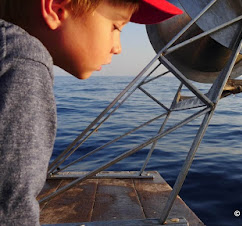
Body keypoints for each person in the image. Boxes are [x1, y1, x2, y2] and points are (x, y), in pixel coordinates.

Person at [0, 0, 182, 225]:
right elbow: (9, 209)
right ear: (56, 9)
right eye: (116, 27)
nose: (118, 47)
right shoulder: (23, 61)